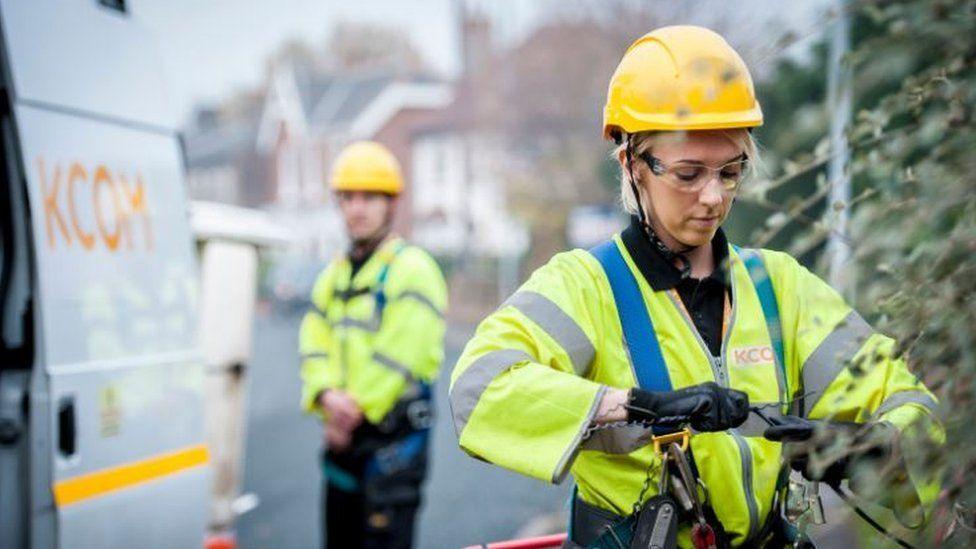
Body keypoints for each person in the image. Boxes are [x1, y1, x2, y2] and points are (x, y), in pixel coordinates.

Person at [449, 26, 942, 547]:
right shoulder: (583, 287)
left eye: (730, 172)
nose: (713, 197)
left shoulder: (781, 287)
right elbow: (479, 389)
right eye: (688, 174)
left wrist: (872, 447)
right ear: (632, 164)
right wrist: (636, 405)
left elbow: (909, 401)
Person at [300, 141, 447, 549]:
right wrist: (325, 394)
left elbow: (401, 355)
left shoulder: (412, 269)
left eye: (369, 197)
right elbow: (314, 340)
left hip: (392, 449)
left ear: (391, 204)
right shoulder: (334, 274)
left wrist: (347, 413)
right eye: (348, 198)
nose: (357, 208)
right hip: (344, 446)